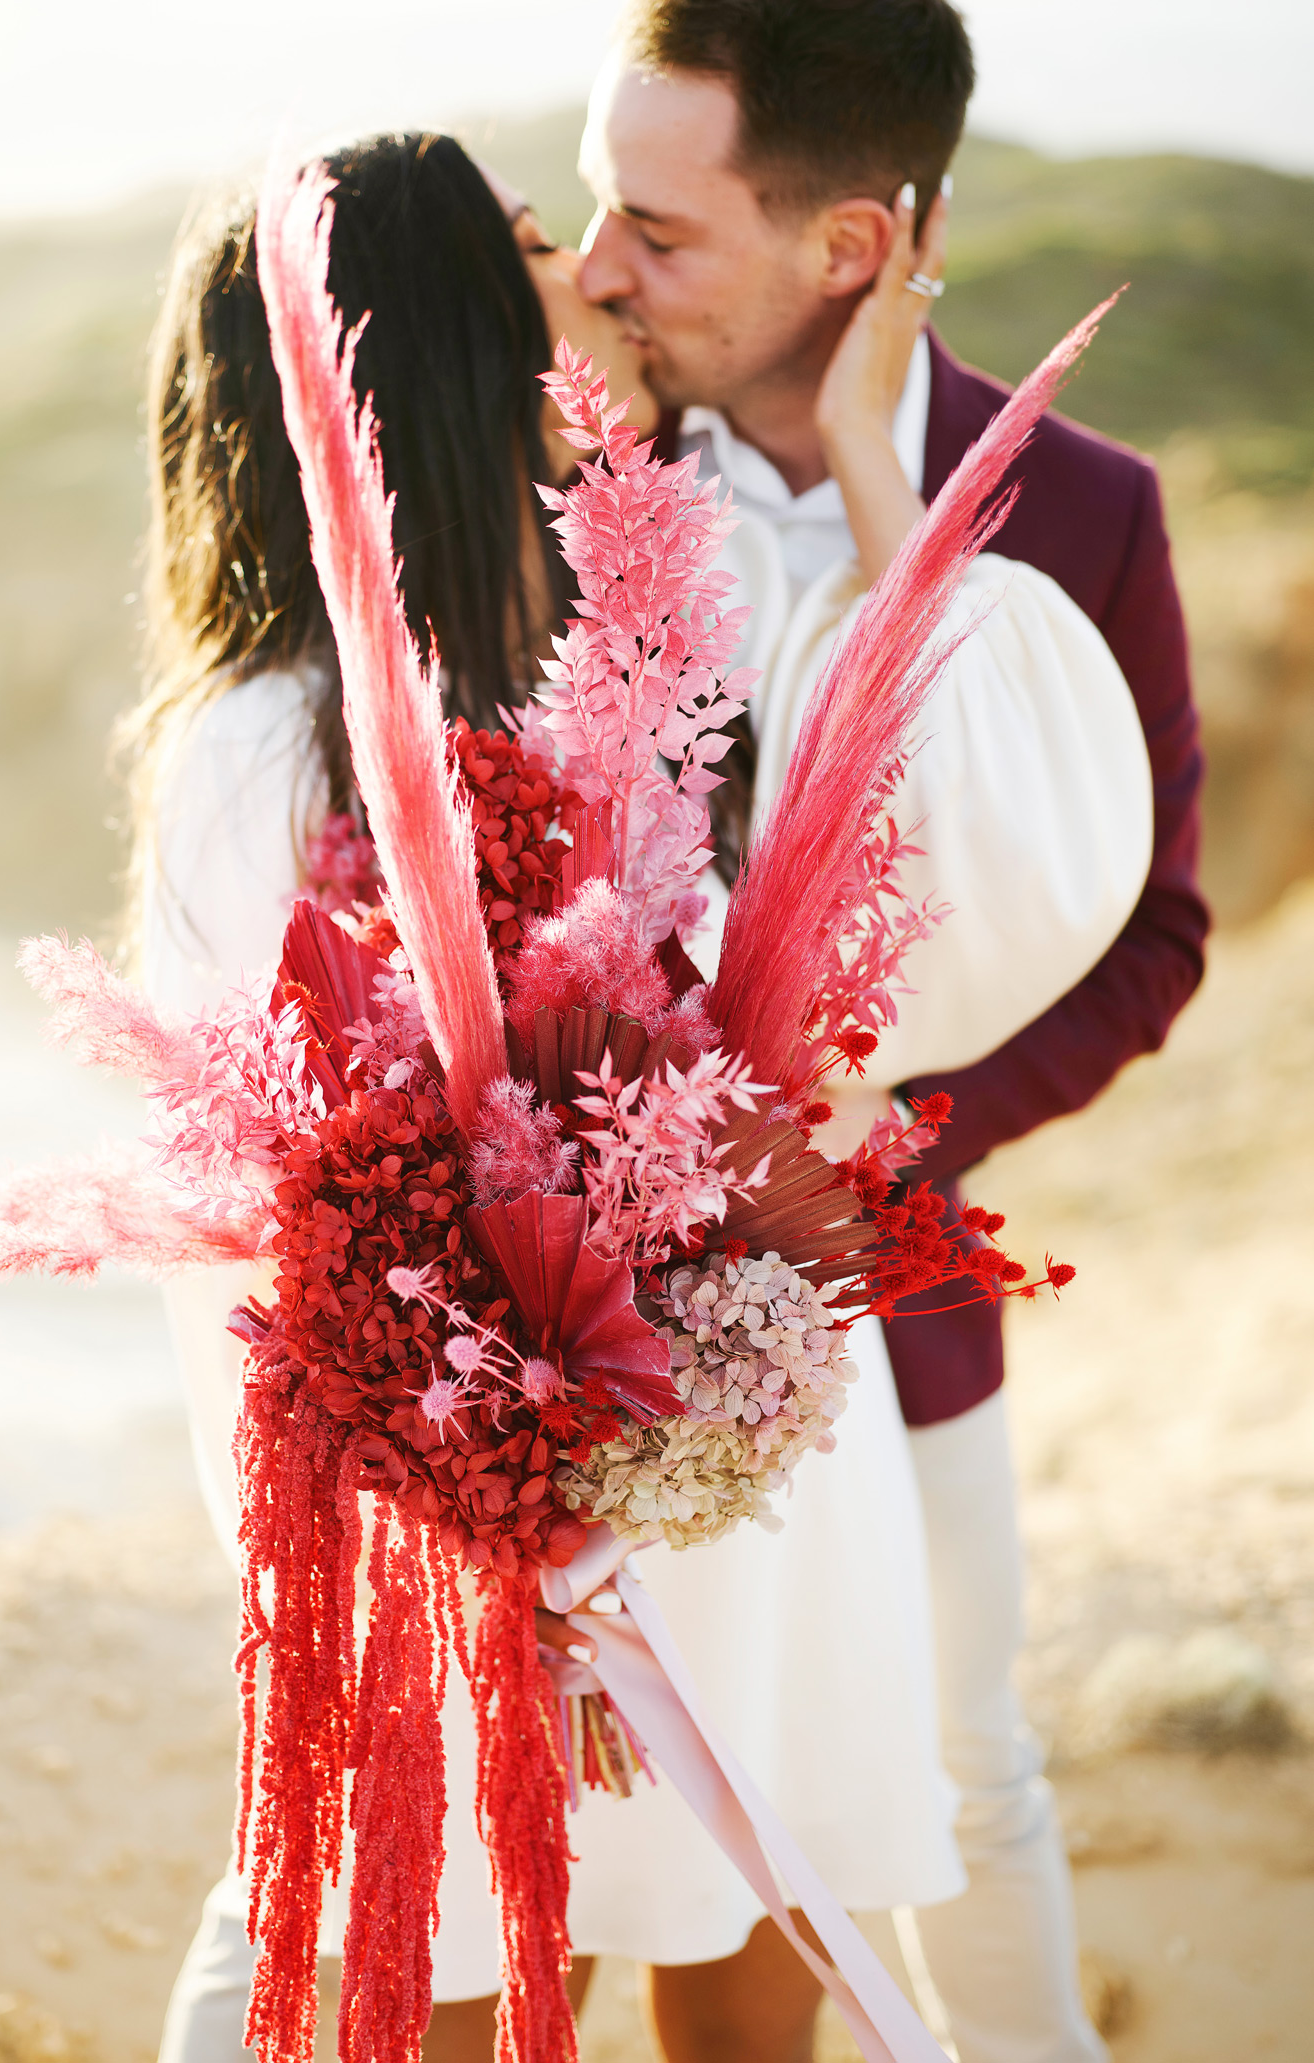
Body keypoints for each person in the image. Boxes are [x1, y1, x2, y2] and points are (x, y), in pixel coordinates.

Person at [130, 128, 1152, 2063]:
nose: (585, 270)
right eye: (531, 239)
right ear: (422, 332)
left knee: (743, 2003)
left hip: (734, 1469)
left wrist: (876, 457)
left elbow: (982, 895)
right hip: (459, 1505)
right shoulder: (271, 746)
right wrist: (496, 1518)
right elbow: (260, 1218)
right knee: (450, 1988)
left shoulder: (663, 650)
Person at [573, 4, 1208, 2060]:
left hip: (895, 1300)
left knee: (964, 1770)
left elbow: (1149, 939)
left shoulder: (1085, 516)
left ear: (848, 245)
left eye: (656, 230)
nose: (597, 270)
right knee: (623, 1823)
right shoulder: (560, 486)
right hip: (578, 1315)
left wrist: (873, 1146)